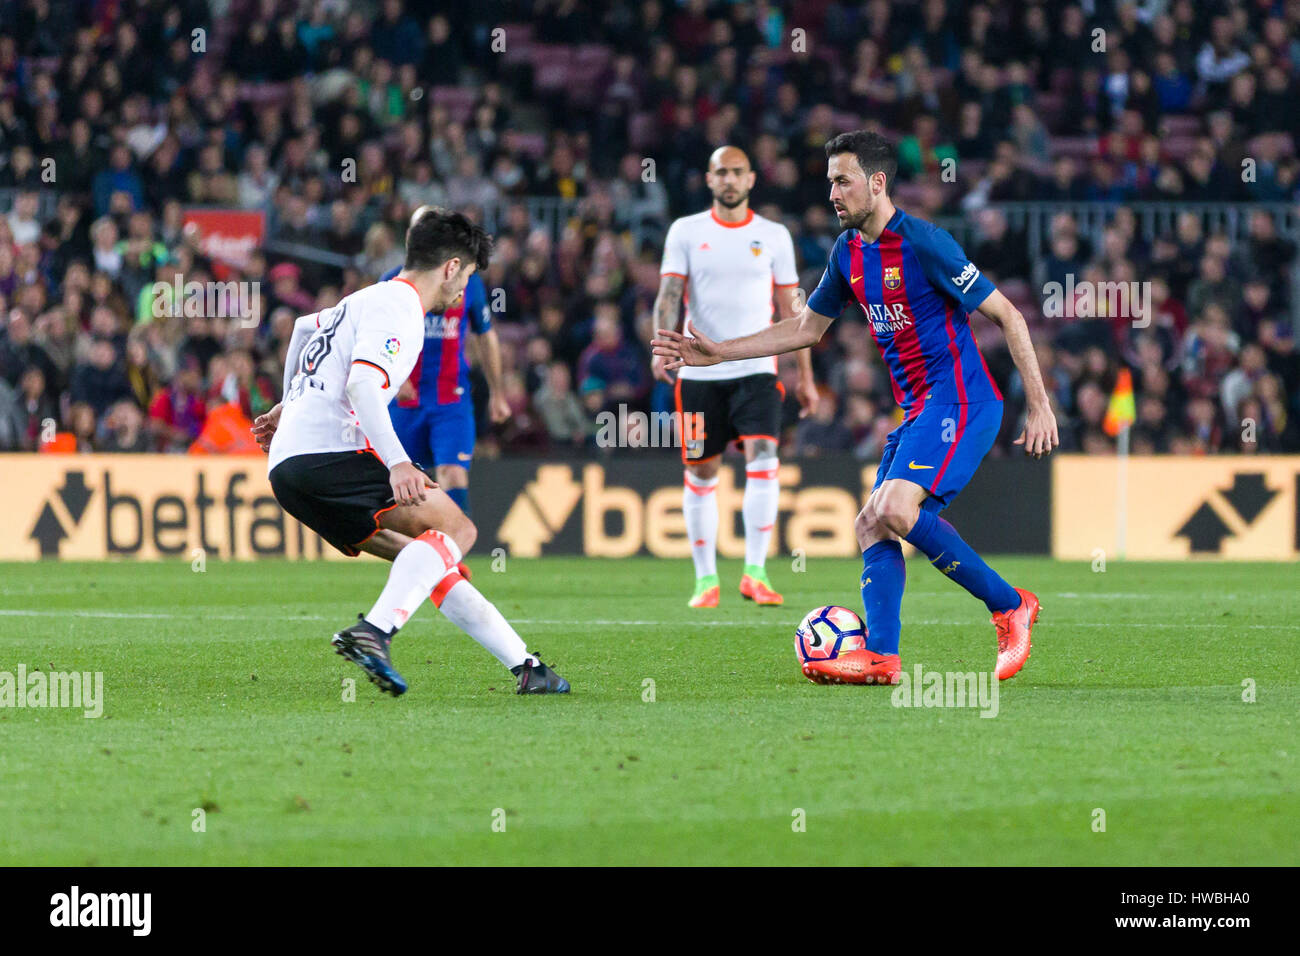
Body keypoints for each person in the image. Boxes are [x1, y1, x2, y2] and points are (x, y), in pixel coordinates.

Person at [654, 130, 1058, 685]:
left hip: (961, 400)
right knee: (870, 524)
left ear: (877, 182)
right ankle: (883, 657)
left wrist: (1038, 404)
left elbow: (1009, 316)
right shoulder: (848, 252)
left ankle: (1010, 604)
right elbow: (804, 328)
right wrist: (718, 352)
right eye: (829, 183)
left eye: (843, 182)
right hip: (917, 411)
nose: (833, 194)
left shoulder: (926, 244)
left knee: (892, 508)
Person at [251, 208, 568, 697]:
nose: (464, 291)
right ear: (450, 267)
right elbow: (362, 384)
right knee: (457, 529)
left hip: (287, 470)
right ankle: (374, 631)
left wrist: (286, 404)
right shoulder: (402, 310)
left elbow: (299, 329)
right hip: (331, 453)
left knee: (425, 559)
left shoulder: (365, 297)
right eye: (466, 276)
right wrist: (398, 462)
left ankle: (527, 668)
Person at [652, 145, 818, 609]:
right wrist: (661, 345)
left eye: (737, 172)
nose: (728, 179)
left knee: (764, 455)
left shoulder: (775, 235)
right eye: (720, 172)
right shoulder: (686, 230)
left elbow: (795, 311)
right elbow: (669, 294)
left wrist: (805, 375)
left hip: (758, 371)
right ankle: (706, 580)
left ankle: (755, 572)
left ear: (750, 180)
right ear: (709, 180)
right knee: (702, 470)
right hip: (698, 374)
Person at [381, 207, 509, 516]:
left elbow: (485, 335)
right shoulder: (390, 282)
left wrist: (497, 393)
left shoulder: (469, 283)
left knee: (452, 472)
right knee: (409, 485)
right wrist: (395, 379)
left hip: (451, 398)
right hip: (404, 401)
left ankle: (451, 556)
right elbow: (379, 339)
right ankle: (420, 556)